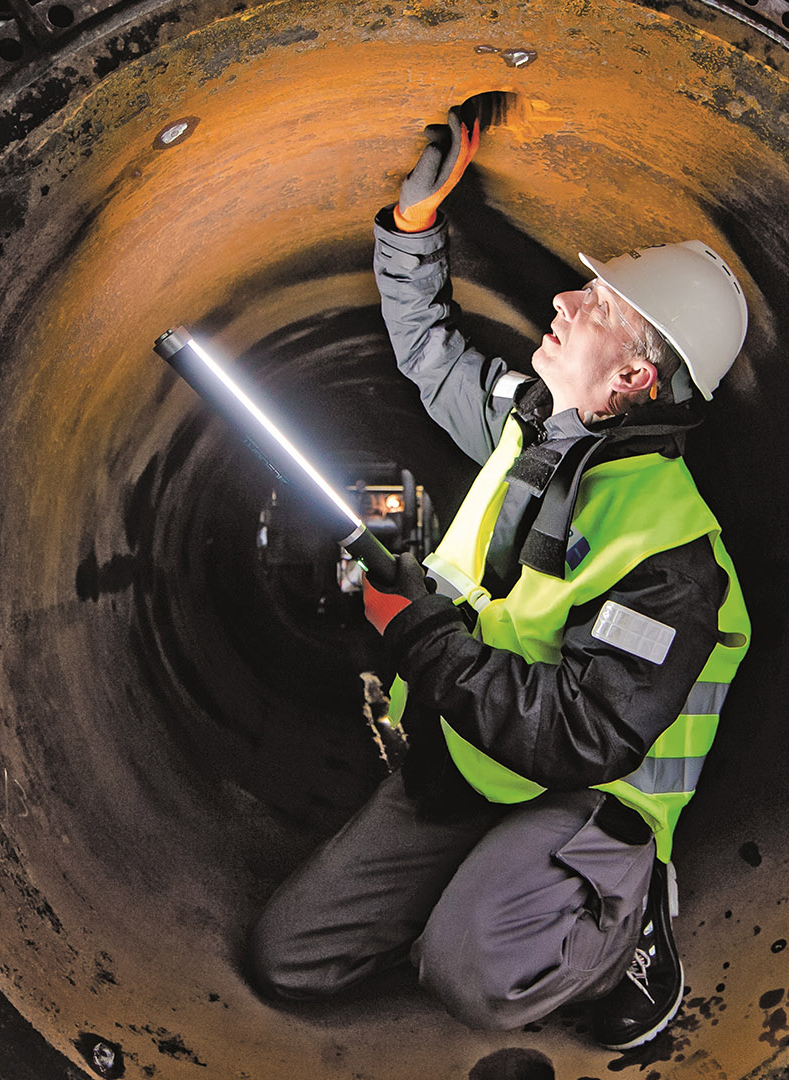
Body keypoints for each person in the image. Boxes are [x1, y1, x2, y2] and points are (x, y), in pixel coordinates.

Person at [248, 105, 751, 1051]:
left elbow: (582, 732)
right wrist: (411, 232)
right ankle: (479, 883)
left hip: (583, 796)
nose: (563, 305)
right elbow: (433, 358)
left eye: (594, 305)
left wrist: (416, 630)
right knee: (290, 960)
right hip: (472, 761)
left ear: (637, 380)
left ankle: (626, 922)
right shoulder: (533, 429)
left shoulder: (670, 559)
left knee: (472, 976)